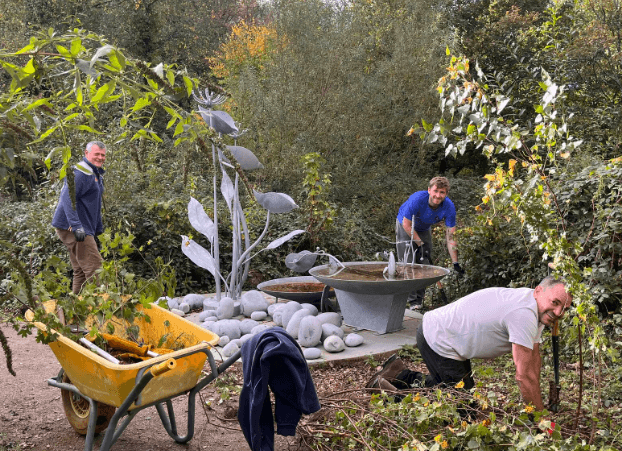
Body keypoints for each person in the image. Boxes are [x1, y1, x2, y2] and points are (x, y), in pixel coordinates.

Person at [366, 276, 573, 411]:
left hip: (447, 337)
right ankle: (388, 393)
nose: (558, 313)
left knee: (453, 388)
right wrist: (539, 415)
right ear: (538, 291)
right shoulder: (524, 314)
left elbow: (533, 357)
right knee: (460, 408)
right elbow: (523, 375)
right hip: (439, 337)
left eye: (564, 308)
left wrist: (536, 403)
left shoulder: (534, 308)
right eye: (555, 303)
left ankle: (399, 373)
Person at [396, 176, 464, 307]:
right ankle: (412, 302)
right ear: (429, 190)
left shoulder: (449, 207)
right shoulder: (417, 199)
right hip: (405, 225)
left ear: (446, 193)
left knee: (424, 262)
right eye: (435, 191)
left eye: (442, 192)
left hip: (424, 228)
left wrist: (455, 263)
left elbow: (451, 237)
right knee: (408, 262)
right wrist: (420, 244)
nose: (438, 196)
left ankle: (420, 301)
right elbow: (407, 224)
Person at [52, 141, 107, 294]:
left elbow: (93, 204)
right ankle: (105, 311)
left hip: (82, 227)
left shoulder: (94, 172)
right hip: (74, 228)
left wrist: (98, 228)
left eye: (103, 155)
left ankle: (76, 311)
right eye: (97, 154)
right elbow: (67, 198)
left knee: (81, 271)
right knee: (97, 270)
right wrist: (75, 225)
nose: (100, 157)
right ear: (86, 153)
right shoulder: (80, 172)